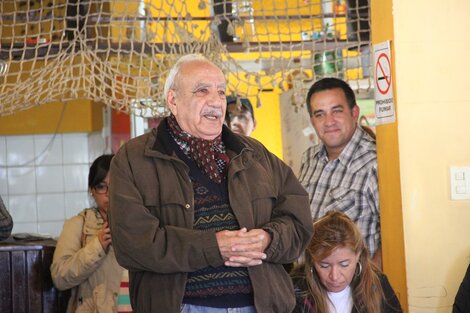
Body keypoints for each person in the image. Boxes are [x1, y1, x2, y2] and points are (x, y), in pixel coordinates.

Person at [108, 54, 314, 313]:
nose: (216, 102)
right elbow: (132, 245)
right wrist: (213, 247)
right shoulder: (133, 159)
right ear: (173, 100)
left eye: (220, 92)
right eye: (202, 91)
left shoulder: (255, 154)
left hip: (261, 306)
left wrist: (268, 239)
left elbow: (299, 222)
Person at [298, 77, 381, 265]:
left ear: (354, 113)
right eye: (319, 114)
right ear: (312, 121)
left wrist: (371, 288)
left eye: (336, 111)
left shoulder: (375, 162)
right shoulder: (309, 159)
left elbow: (393, 235)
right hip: (309, 286)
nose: (329, 121)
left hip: (355, 289)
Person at [51, 154, 125, 313]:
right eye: (101, 186)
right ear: (92, 190)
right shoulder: (79, 224)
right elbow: (60, 277)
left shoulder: (140, 222)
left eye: (115, 185)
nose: (108, 193)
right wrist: (98, 246)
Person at [290, 211, 402, 313]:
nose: (334, 276)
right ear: (312, 260)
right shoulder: (295, 288)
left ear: (358, 255)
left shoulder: (377, 284)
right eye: (324, 265)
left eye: (344, 265)